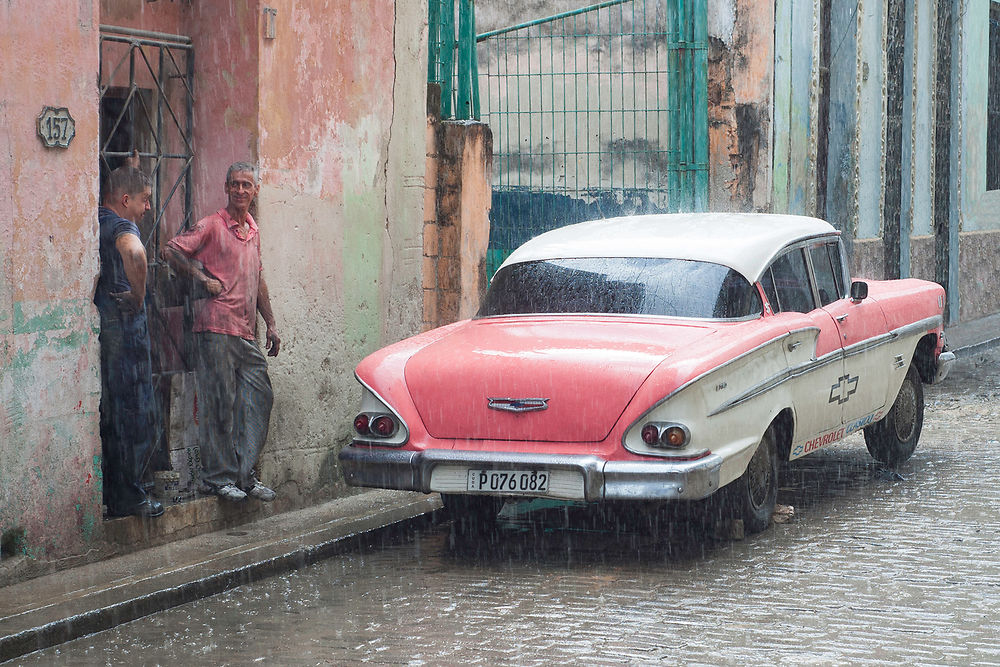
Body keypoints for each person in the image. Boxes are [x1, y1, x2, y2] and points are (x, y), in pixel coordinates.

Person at [163, 162, 280, 502]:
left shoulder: (253, 230)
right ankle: (218, 478)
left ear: (255, 191)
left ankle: (244, 474)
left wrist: (270, 322)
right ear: (226, 188)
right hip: (214, 327)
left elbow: (258, 279)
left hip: (244, 332)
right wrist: (201, 278)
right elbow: (170, 249)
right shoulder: (213, 225)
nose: (241, 191)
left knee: (258, 398)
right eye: (235, 185)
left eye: (247, 185)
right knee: (219, 404)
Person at [95, 165, 164, 518]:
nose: (148, 207)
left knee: (112, 416)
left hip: (107, 334)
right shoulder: (123, 226)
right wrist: (138, 296)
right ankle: (130, 498)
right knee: (136, 416)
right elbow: (135, 253)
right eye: (144, 200)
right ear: (125, 200)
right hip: (127, 334)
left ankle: (113, 493)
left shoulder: (97, 219)